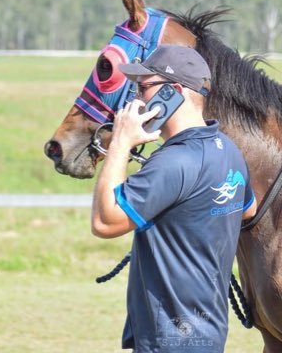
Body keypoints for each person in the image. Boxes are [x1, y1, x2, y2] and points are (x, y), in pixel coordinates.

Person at [91, 45, 257, 352]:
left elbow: (104, 222)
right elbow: (248, 210)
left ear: (175, 92)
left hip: (169, 339)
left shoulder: (174, 162)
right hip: (208, 333)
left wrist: (120, 143)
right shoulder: (228, 150)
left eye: (143, 88)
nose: (136, 100)